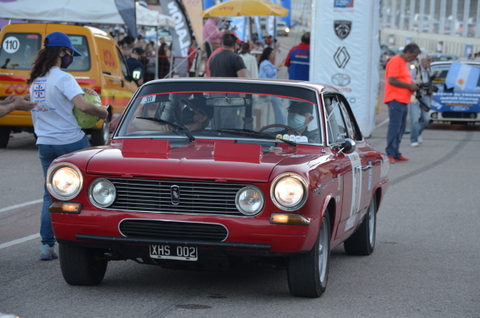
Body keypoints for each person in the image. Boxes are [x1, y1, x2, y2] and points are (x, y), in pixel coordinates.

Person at [26, 32, 108, 260]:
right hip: (71, 142)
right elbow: (84, 107)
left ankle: (46, 245)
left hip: (45, 144)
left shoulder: (36, 80)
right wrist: (105, 112)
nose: (71, 57)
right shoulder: (63, 78)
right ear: (62, 52)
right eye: (70, 53)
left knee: (49, 195)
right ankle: (86, 239)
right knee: (87, 192)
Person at [384, 43, 421, 163]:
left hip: (403, 99)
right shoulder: (396, 61)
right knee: (394, 127)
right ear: (407, 52)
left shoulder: (404, 63)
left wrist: (414, 85)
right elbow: (392, 80)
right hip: (395, 99)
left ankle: (396, 152)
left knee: (401, 127)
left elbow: (404, 79)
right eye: (413, 56)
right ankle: (390, 153)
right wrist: (409, 85)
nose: (414, 59)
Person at [209, 33, 246, 129]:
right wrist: (245, 100)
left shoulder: (214, 58)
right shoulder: (236, 58)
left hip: (215, 97)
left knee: (217, 126)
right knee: (231, 129)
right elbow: (243, 81)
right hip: (231, 100)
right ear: (235, 45)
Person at [258, 47, 286, 124]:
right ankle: (281, 124)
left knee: (279, 107)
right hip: (269, 90)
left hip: (270, 89)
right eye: (272, 53)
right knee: (279, 108)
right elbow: (270, 73)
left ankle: (281, 123)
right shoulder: (265, 63)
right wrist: (278, 67)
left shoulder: (266, 63)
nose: (273, 55)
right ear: (268, 54)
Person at [409, 53, 432, 147]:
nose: (430, 62)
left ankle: (417, 133)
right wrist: (418, 85)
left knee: (426, 119)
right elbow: (409, 81)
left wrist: (431, 87)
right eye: (429, 60)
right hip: (415, 96)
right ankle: (414, 139)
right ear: (423, 60)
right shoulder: (415, 70)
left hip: (425, 95)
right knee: (414, 119)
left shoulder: (430, 70)